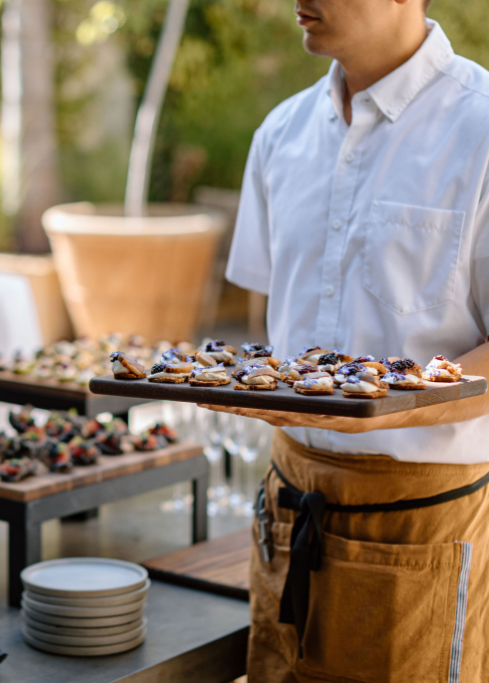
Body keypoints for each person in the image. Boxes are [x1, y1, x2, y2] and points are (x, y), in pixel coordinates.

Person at [209, 0, 489, 680]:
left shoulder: (481, 128)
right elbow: (270, 329)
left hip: (420, 524)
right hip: (285, 510)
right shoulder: (280, 133)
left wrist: (386, 405)